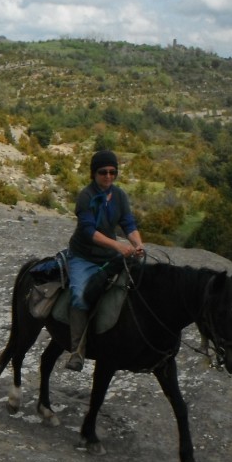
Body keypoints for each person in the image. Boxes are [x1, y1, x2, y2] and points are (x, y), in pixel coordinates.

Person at [64, 149, 145, 371]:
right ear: (93, 174)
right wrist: (119, 246)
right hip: (84, 257)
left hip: (108, 254)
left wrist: (138, 245)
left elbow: (128, 224)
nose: (108, 176)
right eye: (103, 172)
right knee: (80, 296)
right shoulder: (86, 197)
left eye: (112, 172)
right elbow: (89, 231)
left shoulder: (119, 196)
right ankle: (77, 351)